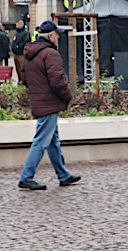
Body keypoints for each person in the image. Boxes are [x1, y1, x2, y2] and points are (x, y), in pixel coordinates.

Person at [18, 20, 82, 190]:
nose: (59, 37)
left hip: (39, 100)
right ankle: (27, 176)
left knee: (52, 140)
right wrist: (67, 97)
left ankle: (63, 175)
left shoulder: (30, 53)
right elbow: (58, 80)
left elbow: (24, 78)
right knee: (41, 140)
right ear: (51, 36)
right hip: (50, 102)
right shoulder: (50, 54)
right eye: (57, 35)